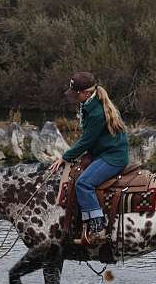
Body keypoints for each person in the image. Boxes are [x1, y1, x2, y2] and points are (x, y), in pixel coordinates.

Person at [49, 72, 129, 246]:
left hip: (112, 157)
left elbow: (87, 140)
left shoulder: (96, 112)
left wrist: (65, 157)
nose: (73, 97)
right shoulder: (89, 103)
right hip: (102, 152)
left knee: (84, 184)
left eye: (75, 93)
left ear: (85, 93)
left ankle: (98, 227)